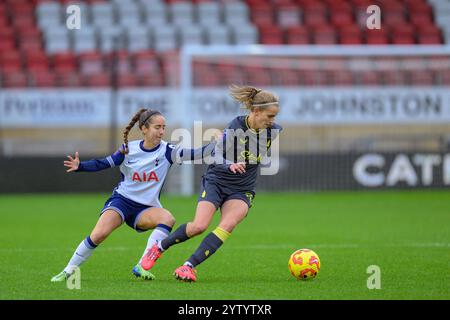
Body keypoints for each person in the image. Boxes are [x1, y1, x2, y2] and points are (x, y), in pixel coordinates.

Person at [50, 108, 219, 282]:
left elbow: (195, 154)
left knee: (167, 218)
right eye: (157, 127)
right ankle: (68, 271)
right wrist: (81, 166)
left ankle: (142, 265)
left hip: (146, 208)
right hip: (121, 202)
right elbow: (104, 163)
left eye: (163, 127)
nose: (162, 131)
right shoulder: (128, 150)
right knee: (98, 235)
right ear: (144, 129)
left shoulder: (168, 151)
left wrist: (215, 144)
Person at [141, 84, 283, 282]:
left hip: (242, 188)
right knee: (199, 226)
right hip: (217, 179)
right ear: (256, 111)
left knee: (228, 224)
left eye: (275, 116)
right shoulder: (236, 126)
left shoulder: (274, 131)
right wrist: (229, 164)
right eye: (270, 116)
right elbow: (215, 154)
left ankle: (188, 266)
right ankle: (159, 248)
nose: (273, 121)